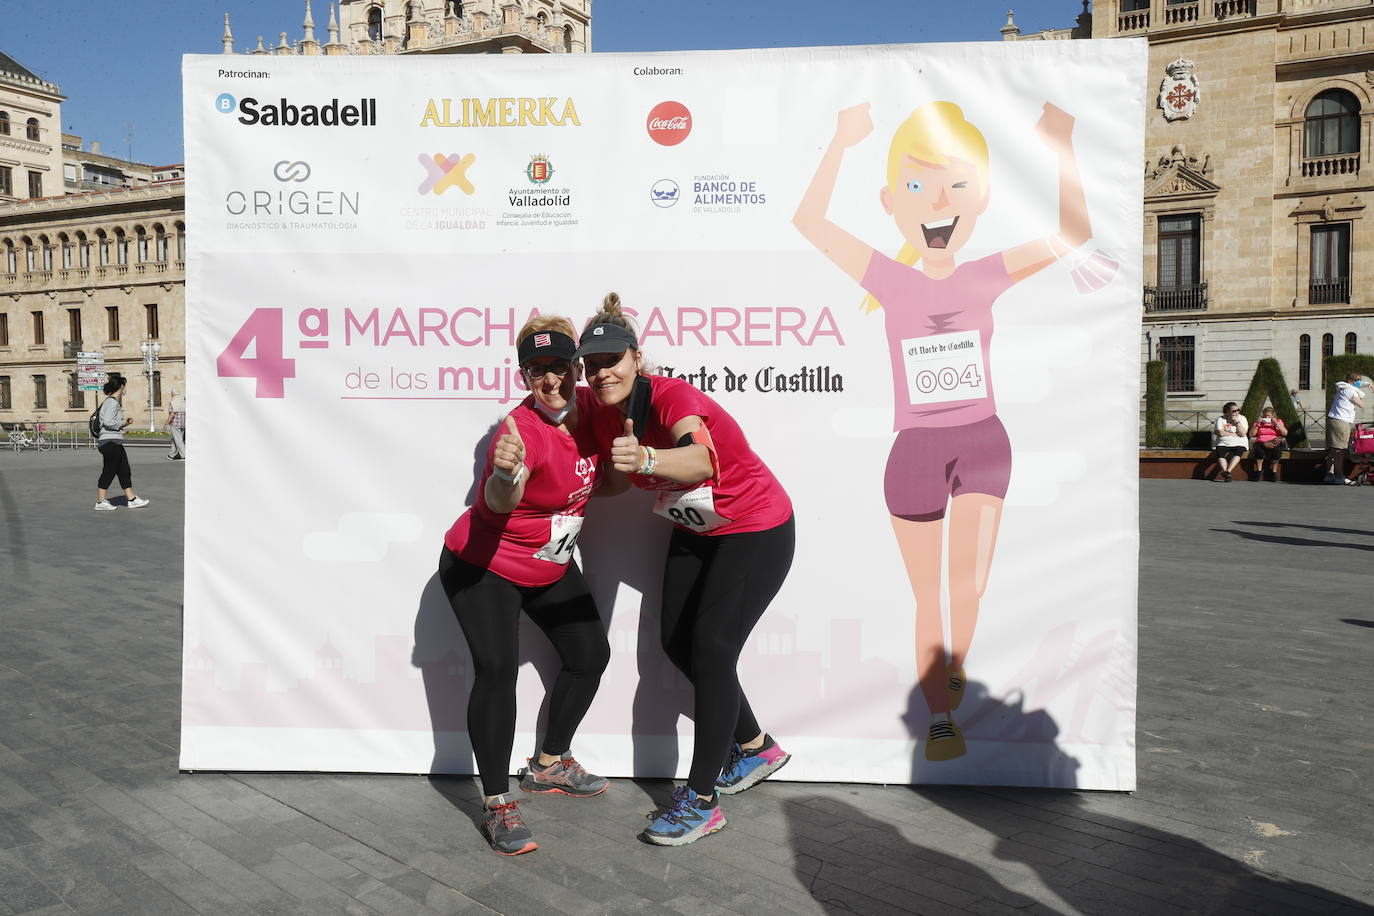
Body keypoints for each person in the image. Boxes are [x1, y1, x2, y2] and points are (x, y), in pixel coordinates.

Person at [792, 99, 1093, 761]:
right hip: (917, 453)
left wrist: (1062, 145)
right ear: (890, 200)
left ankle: (954, 659)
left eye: (956, 184)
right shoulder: (889, 279)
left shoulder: (988, 274)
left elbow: (1073, 232)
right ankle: (939, 716)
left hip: (983, 443)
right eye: (917, 186)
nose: (937, 202)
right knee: (928, 592)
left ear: (980, 197)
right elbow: (808, 221)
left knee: (970, 586)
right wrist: (841, 141)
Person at [577, 293, 795, 847]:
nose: (602, 373)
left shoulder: (674, 398)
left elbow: (699, 459)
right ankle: (754, 747)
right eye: (592, 365)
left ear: (636, 357)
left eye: (612, 361)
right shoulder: (602, 410)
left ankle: (701, 800)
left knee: (713, 647)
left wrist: (647, 459)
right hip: (697, 528)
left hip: (755, 526)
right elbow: (616, 476)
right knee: (675, 642)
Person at [438, 317, 612, 856]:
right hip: (483, 564)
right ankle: (496, 803)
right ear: (523, 375)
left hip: (549, 562)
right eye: (537, 370)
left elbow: (610, 476)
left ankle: (549, 764)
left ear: (575, 367)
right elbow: (497, 501)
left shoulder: (594, 413)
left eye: (559, 367)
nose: (551, 380)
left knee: (590, 654)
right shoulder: (517, 433)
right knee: (497, 673)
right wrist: (505, 476)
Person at [94, 377, 150, 511]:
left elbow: (109, 423)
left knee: (124, 470)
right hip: (110, 442)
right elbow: (108, 422)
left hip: (113, 441)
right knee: (109, 470)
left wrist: (121, 428)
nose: (125, 389)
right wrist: (122, 424)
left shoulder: (110, 402)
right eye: (124, 386)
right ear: (120, 386)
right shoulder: (112, 402)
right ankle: (101, 502)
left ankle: (131, 499)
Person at [1325, 372, 1366, 484]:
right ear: (1351, 380)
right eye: (1358, 380)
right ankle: (1339, 476)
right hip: (1341, 421)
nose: (1359, 382)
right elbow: (1361, 404)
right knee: (1340, 450)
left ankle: (1330, 474)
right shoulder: (1350, 390)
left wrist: (1366, 385)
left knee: (1334, 449)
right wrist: (1361, 393)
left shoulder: (1344, 388)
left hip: (1336, 420)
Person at [1248, 406, 1287, 482]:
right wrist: (1258, 424)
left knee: (1277, 450)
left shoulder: (1278, 421)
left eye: (1269, 416)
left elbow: (1285, 433)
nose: (1266, 417)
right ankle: (1259, 471)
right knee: (1259, 449)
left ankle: (1274, 472)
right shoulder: (1259, 422)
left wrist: (1276, 423)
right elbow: (1251, 434)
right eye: (1265, 416)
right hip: (1261, 441)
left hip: (1274, 441)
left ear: (1273, 415)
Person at [1211, 402, 1248, 482]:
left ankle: (1228, 471)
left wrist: (1237, 422)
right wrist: (1234, 434)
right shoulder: (1221, 419)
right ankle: (1225, 471)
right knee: (1219, 451)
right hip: (1223, 442)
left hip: (1239, 442)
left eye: (1238, 410)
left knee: (1239, 451)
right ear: (1227, 412)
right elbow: (1220, 433)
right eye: (1234, 411)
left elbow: (1242, 433)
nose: (1237, 412)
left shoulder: (1242, 418)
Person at [164, 391, 187, 460]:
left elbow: (172, 414)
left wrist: (166, 423)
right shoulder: (183, 401)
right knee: (175, 439)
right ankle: (172, 455)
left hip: (175, 424)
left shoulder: (173, 402)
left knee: (178, 440)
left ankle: (184, 455)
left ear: (172, 394)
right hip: (183, 424)